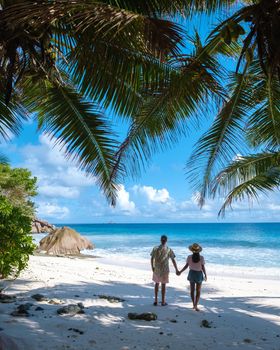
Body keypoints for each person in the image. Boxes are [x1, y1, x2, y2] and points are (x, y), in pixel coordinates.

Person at [177, 243, 207, 311]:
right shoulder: (201, 258)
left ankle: (193, 304)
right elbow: (203, 267)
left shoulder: (189, 257)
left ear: (192, 250)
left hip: (191, 274)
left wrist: (180, 271)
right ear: (199, 250)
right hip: (199, 274)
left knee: (192, 290)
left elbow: (186, 266)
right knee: (198, 291)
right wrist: (205, 275)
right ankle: (196, 305)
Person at [150, 235, 178, 306]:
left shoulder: (155, 248)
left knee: (156, 284)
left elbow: (152, 258)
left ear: (160, 240)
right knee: (163, 285)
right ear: (166, 240)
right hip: (165, 270)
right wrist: (176, 269)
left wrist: (152, 267)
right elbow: (173, 259)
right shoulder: (168, 249)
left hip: (156, 269)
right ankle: (163, 301)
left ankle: (156, 300)